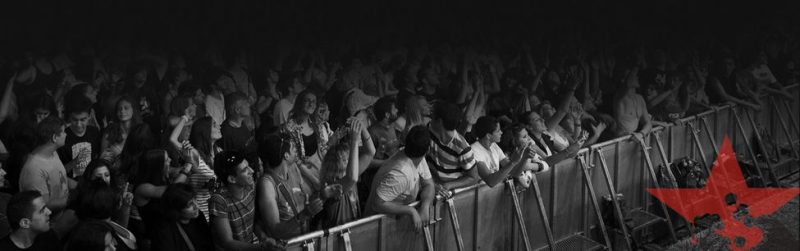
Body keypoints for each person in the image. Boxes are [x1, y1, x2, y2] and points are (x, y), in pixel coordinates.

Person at [365, 126, 435, 232]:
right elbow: (377, 203)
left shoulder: (417, 157)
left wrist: (425, 207)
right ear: (428, 150)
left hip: (393, 228)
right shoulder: (400, 174)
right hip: (374, 230)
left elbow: (429, 184)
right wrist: (410, 210)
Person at [256, 134, 325, 239]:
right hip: (287, 246)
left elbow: (306, 199)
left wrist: (324, 194)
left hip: (303, 239)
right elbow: (274, 230)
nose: (297, 150)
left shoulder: (293, 168)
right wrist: (305, 214)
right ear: (286, 155)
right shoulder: (267, 184)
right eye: (293, 148)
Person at [209, 150, 275, 250]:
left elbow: (253, 222)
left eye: (248, 166)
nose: (252, 171)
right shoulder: (219, 200)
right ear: (232, 179)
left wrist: (263, 238)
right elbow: (227, 242)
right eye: (245, 170)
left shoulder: (250, 187)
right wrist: (260, 248)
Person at [318, 118, 375, 228]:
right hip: (337, 240)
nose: (351, 161)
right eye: (346, 159)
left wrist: (361, 127)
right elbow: (352, 178)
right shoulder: (332, 186)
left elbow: (370, 152)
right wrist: (354, 140)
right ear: (335, 165)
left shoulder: (350, 175)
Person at [19, 116, 75, 214]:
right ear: (54, 137)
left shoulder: (53, 153)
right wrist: (76, 198)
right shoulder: (34, 169)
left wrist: (81, 187)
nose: (66, 134)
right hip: (50, 224)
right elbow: (45, 205)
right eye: (63, 132)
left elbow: (59, 177)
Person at [426, 102, 479, 197]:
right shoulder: (428, 131)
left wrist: (448, 185)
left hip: (449, 194)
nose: (430, 119)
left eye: (433, 117)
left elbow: (473, 177)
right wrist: (431, 183)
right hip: (430, 185)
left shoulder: (462, 147)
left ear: (440, 121)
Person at [471, 116, 540, 187]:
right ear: (488, 136)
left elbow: (514, 173)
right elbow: (490, 182)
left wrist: (524, 158)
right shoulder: (474, 150)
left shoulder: (494, 146)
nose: (501, 132)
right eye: (498, 131)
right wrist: (513, 162)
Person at [72, 180, 136, 251]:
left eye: (107, 175)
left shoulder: (106, 225)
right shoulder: (91, 236)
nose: (113, 248)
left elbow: (123, 233)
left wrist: (126, 205)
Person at [152, 183, 214, 251]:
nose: (196, 206)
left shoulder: (198, 217)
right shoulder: (164, 229)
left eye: (195, 199)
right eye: (189, 205)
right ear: (176, 210)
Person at [59, 96, 101, 178]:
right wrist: (75, 162)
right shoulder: (62, 137)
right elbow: (58, 172)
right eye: (74, 120)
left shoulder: (94, 132)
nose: (78, 124)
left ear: (89, 116)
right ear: (69, 117)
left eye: (82, 120)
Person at [612, 66, 652, 139]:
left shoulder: (640, 98)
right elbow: (628, 83)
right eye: (631, 75)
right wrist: (637, 64)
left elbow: (648, 123)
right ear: (623, 80)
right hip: (620, 140)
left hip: (633, 139)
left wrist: (641, 134)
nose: (636, 77)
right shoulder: (619, 97)